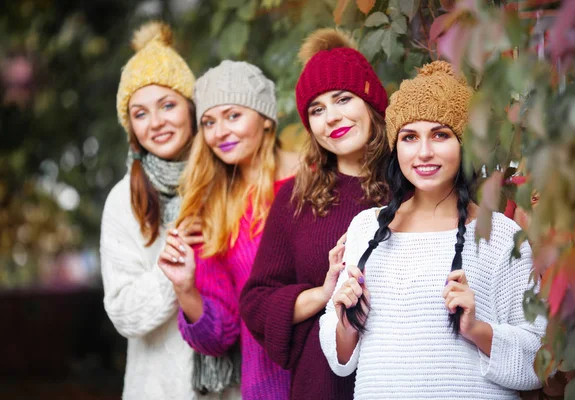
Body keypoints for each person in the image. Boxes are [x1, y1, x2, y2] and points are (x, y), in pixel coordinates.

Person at [319, 60, 546, 399]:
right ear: (397, 148)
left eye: (440, 135)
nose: (424, 152)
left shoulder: (500, 235)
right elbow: (340, 361)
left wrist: (476, 329)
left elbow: (539, 361)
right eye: (410, 137)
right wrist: (347, 324)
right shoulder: (366, 229)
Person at [239, 28, 390, 400]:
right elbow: (256, 300)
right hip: (323, 384)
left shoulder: (412, 184)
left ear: (371, 101)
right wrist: (323, 293)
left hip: (403, 376)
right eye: (317, 109)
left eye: (342, 99)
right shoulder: (297, 197)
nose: (331, 118)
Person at [158, 60, 298, 399]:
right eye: (208, 122)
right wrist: (186, 290)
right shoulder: (212, 212)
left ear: (266, 119)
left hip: (339, 373)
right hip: (268, 387)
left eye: (233, 115)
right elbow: (219, 337)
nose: (219, 132)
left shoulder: (317, 179)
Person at [100, 21, 213, 399]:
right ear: (131, 126)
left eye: (168, 104)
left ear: (191, 108)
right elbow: (123, 312)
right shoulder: (123, 200)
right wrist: (172, 272)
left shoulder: (229, 183)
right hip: (159, 388)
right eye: (141, 113)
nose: (158, 122)